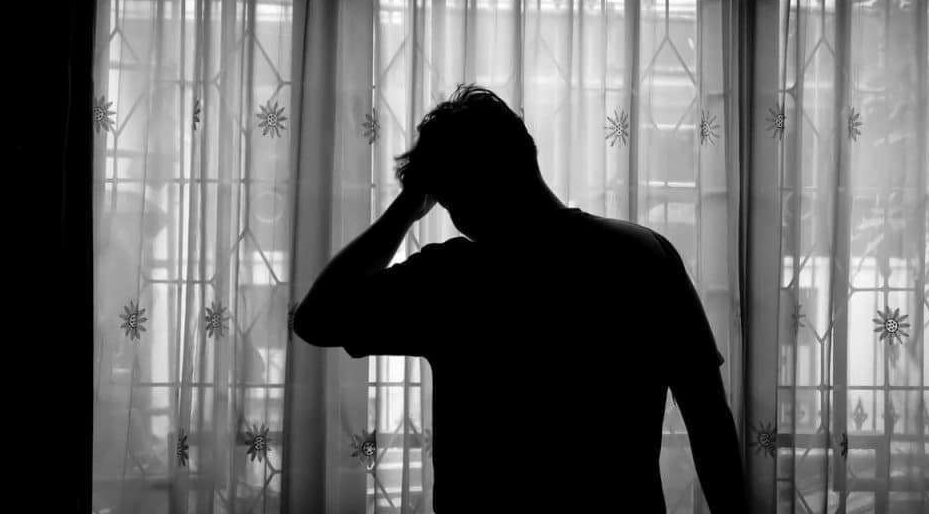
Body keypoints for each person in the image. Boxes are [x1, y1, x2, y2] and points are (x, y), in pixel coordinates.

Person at [294, 85, 745, 513]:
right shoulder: (645, 255)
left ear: (456, 191)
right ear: (526, 156)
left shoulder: (452, 281)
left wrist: (406, 209)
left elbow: (316, 319)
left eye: (446, 200)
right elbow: (708, 418)